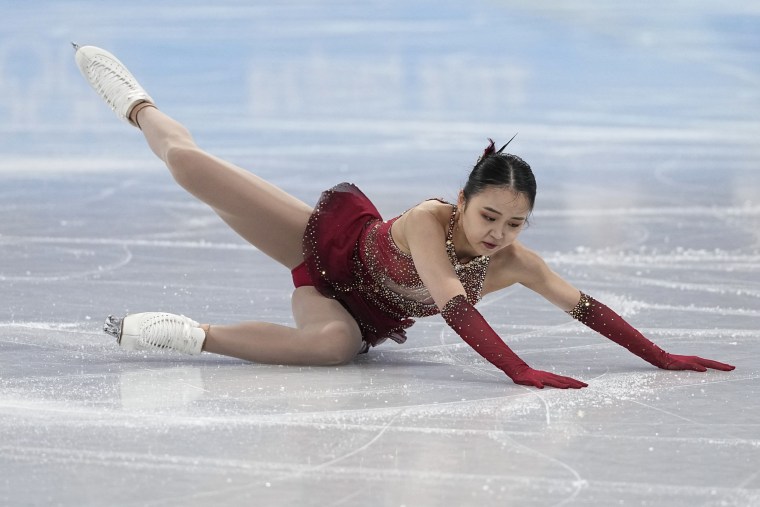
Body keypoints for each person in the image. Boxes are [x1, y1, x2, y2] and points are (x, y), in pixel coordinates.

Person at [73, 44, 735, 389]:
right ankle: (139, 105)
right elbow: (452, 303)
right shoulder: (427, 221)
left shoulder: (515, 263)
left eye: (514, 224)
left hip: (347, 315)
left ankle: (187, 335)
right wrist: (518, 369)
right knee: (191, 169)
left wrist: (660, 354)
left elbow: (584, 306)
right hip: (327, 247)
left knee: (333, 348)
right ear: (464, 200)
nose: (498, 234)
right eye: (489, 215)